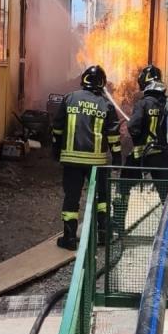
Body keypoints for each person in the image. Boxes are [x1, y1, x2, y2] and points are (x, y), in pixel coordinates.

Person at [52, 65, 122, 250]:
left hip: (72, 160)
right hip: (97, 163)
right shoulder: (106, 104)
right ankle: (103, 235)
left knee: (71, 198)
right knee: (102, 198)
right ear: (102, 83)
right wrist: (117, 157)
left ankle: (69, 238)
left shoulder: (70, 98)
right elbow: (114, 135)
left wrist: (55, 150)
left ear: (83, 80)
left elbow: (57, 128)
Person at [114, 64, 168, 233]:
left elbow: (134, 127)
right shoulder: (167, 104)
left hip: (142, 155)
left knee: (123, 186)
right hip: (164, 157)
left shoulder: (142, 104)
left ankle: (117, 224)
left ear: (145, 82)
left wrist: (135, 134)